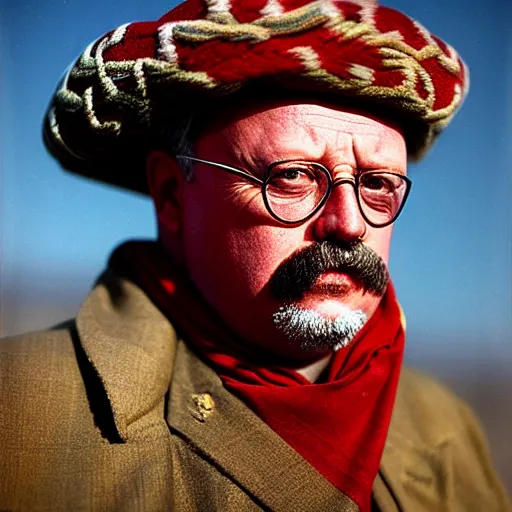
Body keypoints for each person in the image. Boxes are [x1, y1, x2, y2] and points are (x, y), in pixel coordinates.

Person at [0, 0, 509, 510]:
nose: (350, 224)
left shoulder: (446, 426)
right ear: (173, 195)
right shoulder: (19, 408)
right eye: (292, 176)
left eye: (377, 185)